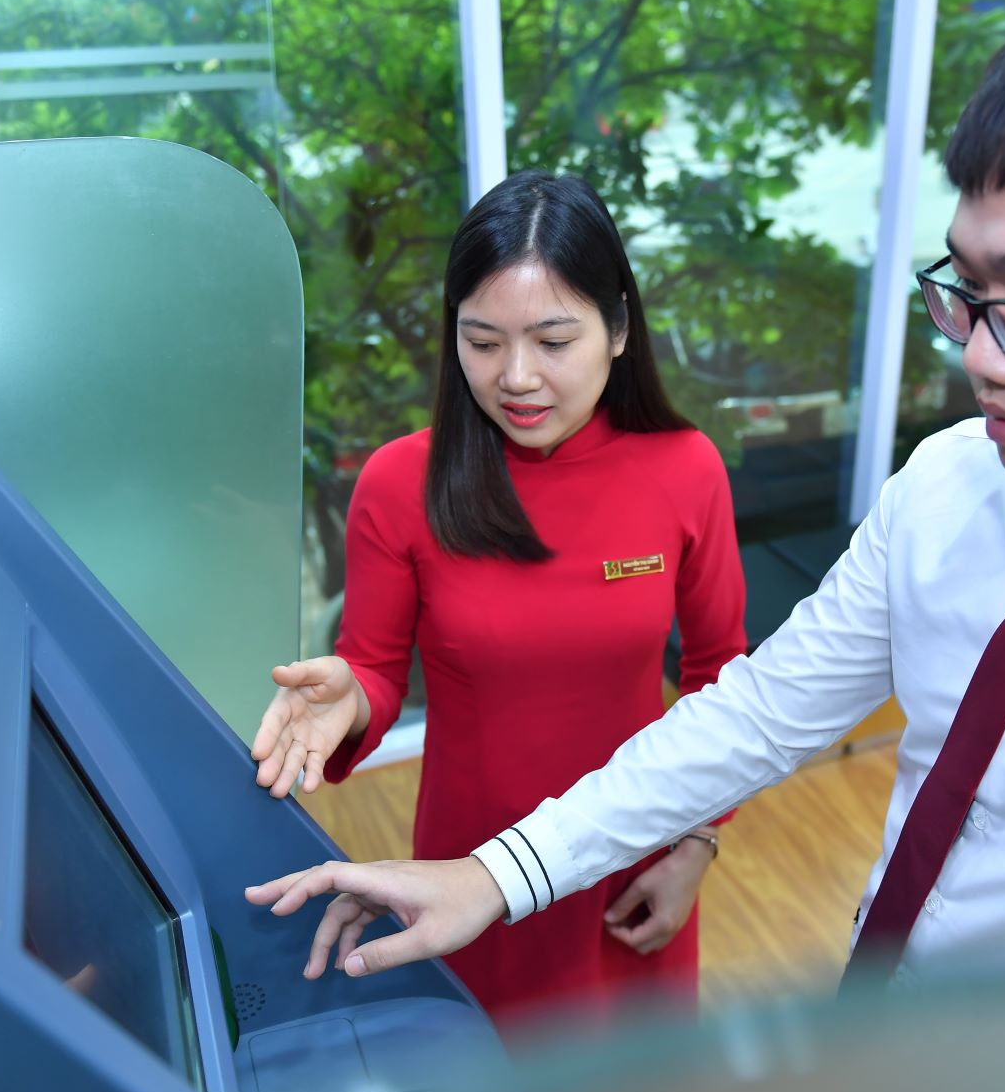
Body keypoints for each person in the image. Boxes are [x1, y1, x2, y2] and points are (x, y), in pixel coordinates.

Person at [246, 0, 1005, 1092]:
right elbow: (756, 708)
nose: (980, 359)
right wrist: (494, 874)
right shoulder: (951, 487)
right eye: (964, 289)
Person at [246, 170, 747, 1026]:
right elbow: (375, 667)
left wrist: (697, 842)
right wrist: (350, 698)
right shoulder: (400, 483)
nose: (516, 377)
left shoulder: (685, 468)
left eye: (553, 341)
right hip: (468, 871)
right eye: (482, 342)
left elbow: (718, 674)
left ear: (619, 330)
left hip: (634, 861)